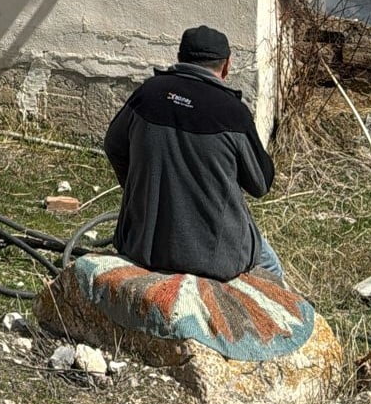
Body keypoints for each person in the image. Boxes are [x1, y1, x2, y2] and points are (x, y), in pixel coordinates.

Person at [103, 24, 283, 284]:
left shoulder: (148, 94)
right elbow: (261, 184)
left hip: (142, 245)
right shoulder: (232, 112)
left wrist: (140, 192)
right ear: (227, 65)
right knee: (271, 267)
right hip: (215, 260)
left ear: (179, 58)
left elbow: (113, 146)